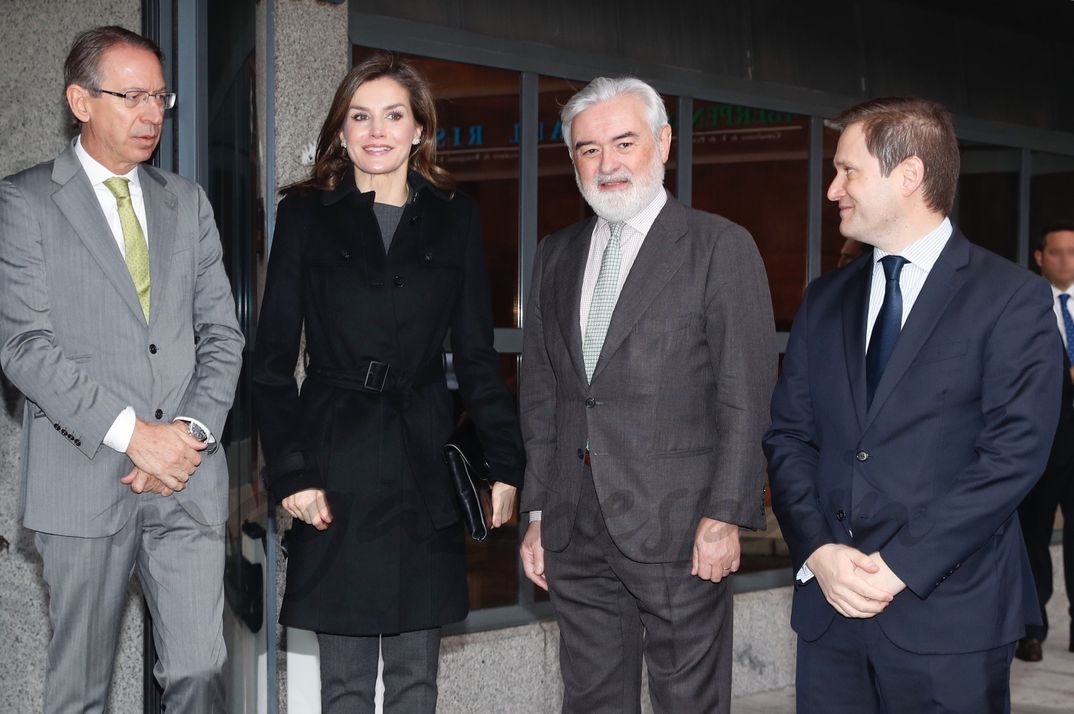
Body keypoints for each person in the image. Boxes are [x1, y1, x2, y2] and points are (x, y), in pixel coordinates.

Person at [764, 97, 1063, 713]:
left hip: (950, 616)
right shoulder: (824, 301)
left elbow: (1013, 457)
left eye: (848, 171)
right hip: (831, 612)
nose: (832, 189)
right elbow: (789, 437)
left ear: (908, 176)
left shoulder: (1011, 299)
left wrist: (899, 566)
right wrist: (819, 551)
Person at [252, 53, 524, 713]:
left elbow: (478, 356)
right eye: (361, 116)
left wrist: (507, 464)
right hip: (332, 466)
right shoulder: (305, 216)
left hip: (422, 468)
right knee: (343, 685)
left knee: (415, 682)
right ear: (341, 132)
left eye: (394, 115)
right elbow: (270, 361)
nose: (378, 131)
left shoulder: (455, 217)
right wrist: (291, 473)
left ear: (419, 129)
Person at [0, 26, 244, 712]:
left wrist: (188, 432)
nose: (152, 113)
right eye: (132, 95)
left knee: (199, 672)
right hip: (82, 480)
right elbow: (24, 347)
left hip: (186, 478)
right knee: (80, 690)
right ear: (80, 100)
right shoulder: (23, 203)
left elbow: (221, 335)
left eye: (160, 97)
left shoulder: (186, 202)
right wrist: (134, 435)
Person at [518, 76, 775, 713]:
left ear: (662, 143)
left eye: (624, 142)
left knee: (687, 701)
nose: (607, 164)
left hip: (682, 529)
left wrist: (725, 516)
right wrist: (539, 512)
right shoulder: (554, 255)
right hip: (575, 529)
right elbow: (545, 393)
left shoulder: (720, 246)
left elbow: (746, 393)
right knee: (592, 700)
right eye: (587, 149)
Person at [1015, 220, 1074, 662]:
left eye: (1073, 252)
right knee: (1033, 535)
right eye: (1057, 252)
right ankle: (1032, 629)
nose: (1066, 261)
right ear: (1040, 257)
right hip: (1042, 443)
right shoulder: (1025, 303)